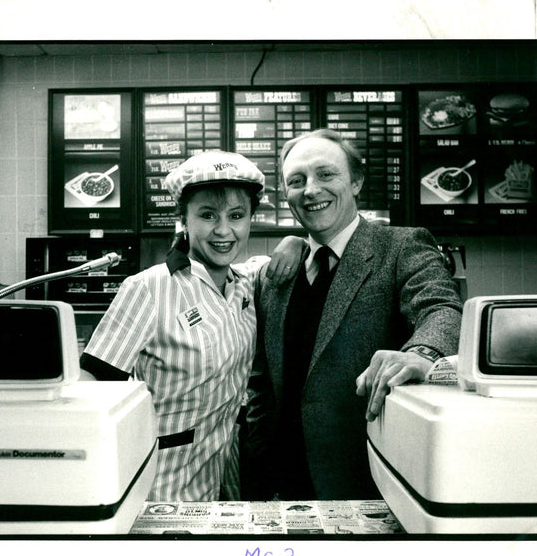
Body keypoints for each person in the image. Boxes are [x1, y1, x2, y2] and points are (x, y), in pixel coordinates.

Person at [245, 129, 463, 501]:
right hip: (282, 484)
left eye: (326, 175)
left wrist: (420, 354)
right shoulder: (273, 276)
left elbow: (442, 308)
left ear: (357, 181)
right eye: (297, 181)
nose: (311, 189)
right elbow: (263, 385)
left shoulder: (399, 247)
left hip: (370, 479)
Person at [79, 150, 304, 502]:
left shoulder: (246, 283)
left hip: (225, 478)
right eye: (207, 215)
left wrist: (297, 241)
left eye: (236, 216)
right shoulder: (148, 288)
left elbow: (286, 259)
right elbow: (91, 388)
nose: (224, 230)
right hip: (158, 482)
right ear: (183, 218)